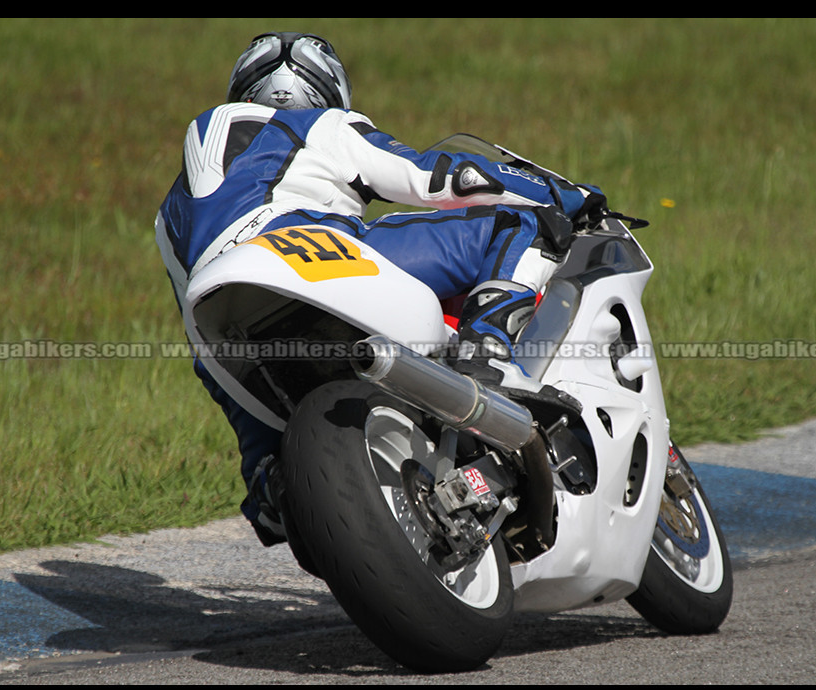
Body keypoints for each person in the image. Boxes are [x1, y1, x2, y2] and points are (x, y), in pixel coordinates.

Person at [155, 32, 607, 546]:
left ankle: (271, 487)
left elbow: (195, 321)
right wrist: (566, 195)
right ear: (328, 90)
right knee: (514, 223)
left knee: (250, 420)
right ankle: (488, 361)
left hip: (224, 316)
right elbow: (444, 178)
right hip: (311, 249)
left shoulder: (169, 210)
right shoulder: (319, 124)